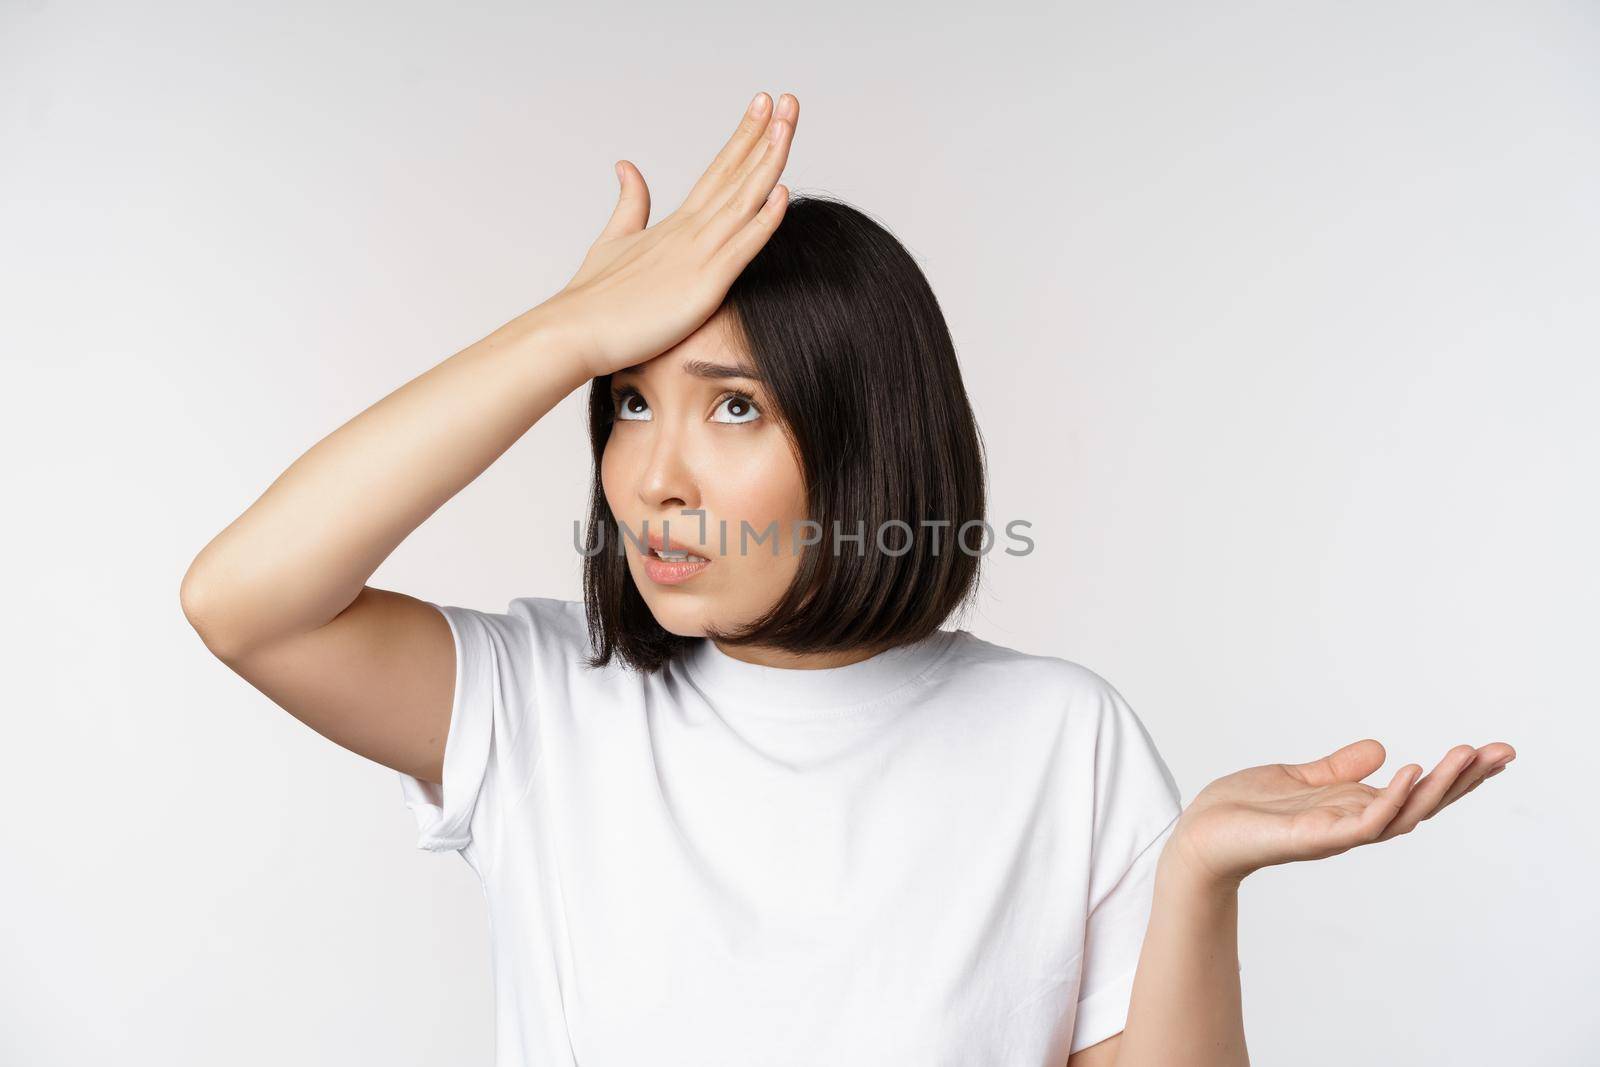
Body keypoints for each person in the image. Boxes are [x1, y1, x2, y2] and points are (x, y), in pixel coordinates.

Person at [179, 91, 1517, 1067]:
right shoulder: (540, 706)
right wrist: (559, 336)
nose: (654, 477)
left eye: (735, 409)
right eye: (628, 407)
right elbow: (242, 600)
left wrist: (1198, 878)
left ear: (867, 439)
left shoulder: (1059, 738)